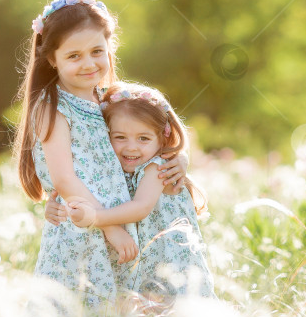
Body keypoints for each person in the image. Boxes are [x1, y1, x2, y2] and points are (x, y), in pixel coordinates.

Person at [12, 0, 187, 314]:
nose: (89, 63)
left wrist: (179, 157)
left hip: (119, 221)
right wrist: (109, 228)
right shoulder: (52, 107)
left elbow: (147, 143)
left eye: (97, 51)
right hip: (84, 230)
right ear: (52, 59)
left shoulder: (113, 100)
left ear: (110, 48)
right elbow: (65, 178)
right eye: (74, 56)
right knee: (77, 312)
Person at [62, 82, 216, 300]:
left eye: (143, 138)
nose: (131, 147)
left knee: (174, 309)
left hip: (168, 260)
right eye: (120, 137)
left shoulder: (157, 167)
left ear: (163, 137)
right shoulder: (112, 171)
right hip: (141, 261)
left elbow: (141, 207)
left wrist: (96, 218)